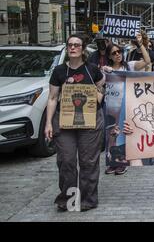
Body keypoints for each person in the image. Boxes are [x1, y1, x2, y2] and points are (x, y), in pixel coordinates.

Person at [45, 34, 105, 212]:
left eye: (76, 45)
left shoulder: (93, 70)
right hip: (64, 123)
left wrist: (96, 95)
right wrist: (48, 123)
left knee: (88, 162)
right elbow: (52, 98)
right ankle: (68, 198)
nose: (72, 48)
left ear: (82, 49)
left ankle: (88, 199)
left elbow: (101, 91)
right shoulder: (59, 72)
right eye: (70, 45)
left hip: (90, 122)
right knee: (67, 160)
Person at [102, 32, 151, 175]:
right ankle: (112, 162)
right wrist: (103, 70)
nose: (118, 54)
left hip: (127, 107)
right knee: (110, 136)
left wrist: (140, 44)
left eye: (119, 51)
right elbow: (99, 84)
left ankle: (122, 162)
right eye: (114, 53)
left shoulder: (129, 66)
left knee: (123, 134)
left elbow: (147, 61)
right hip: (111, 108)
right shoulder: (106, 70)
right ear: (110, 56)